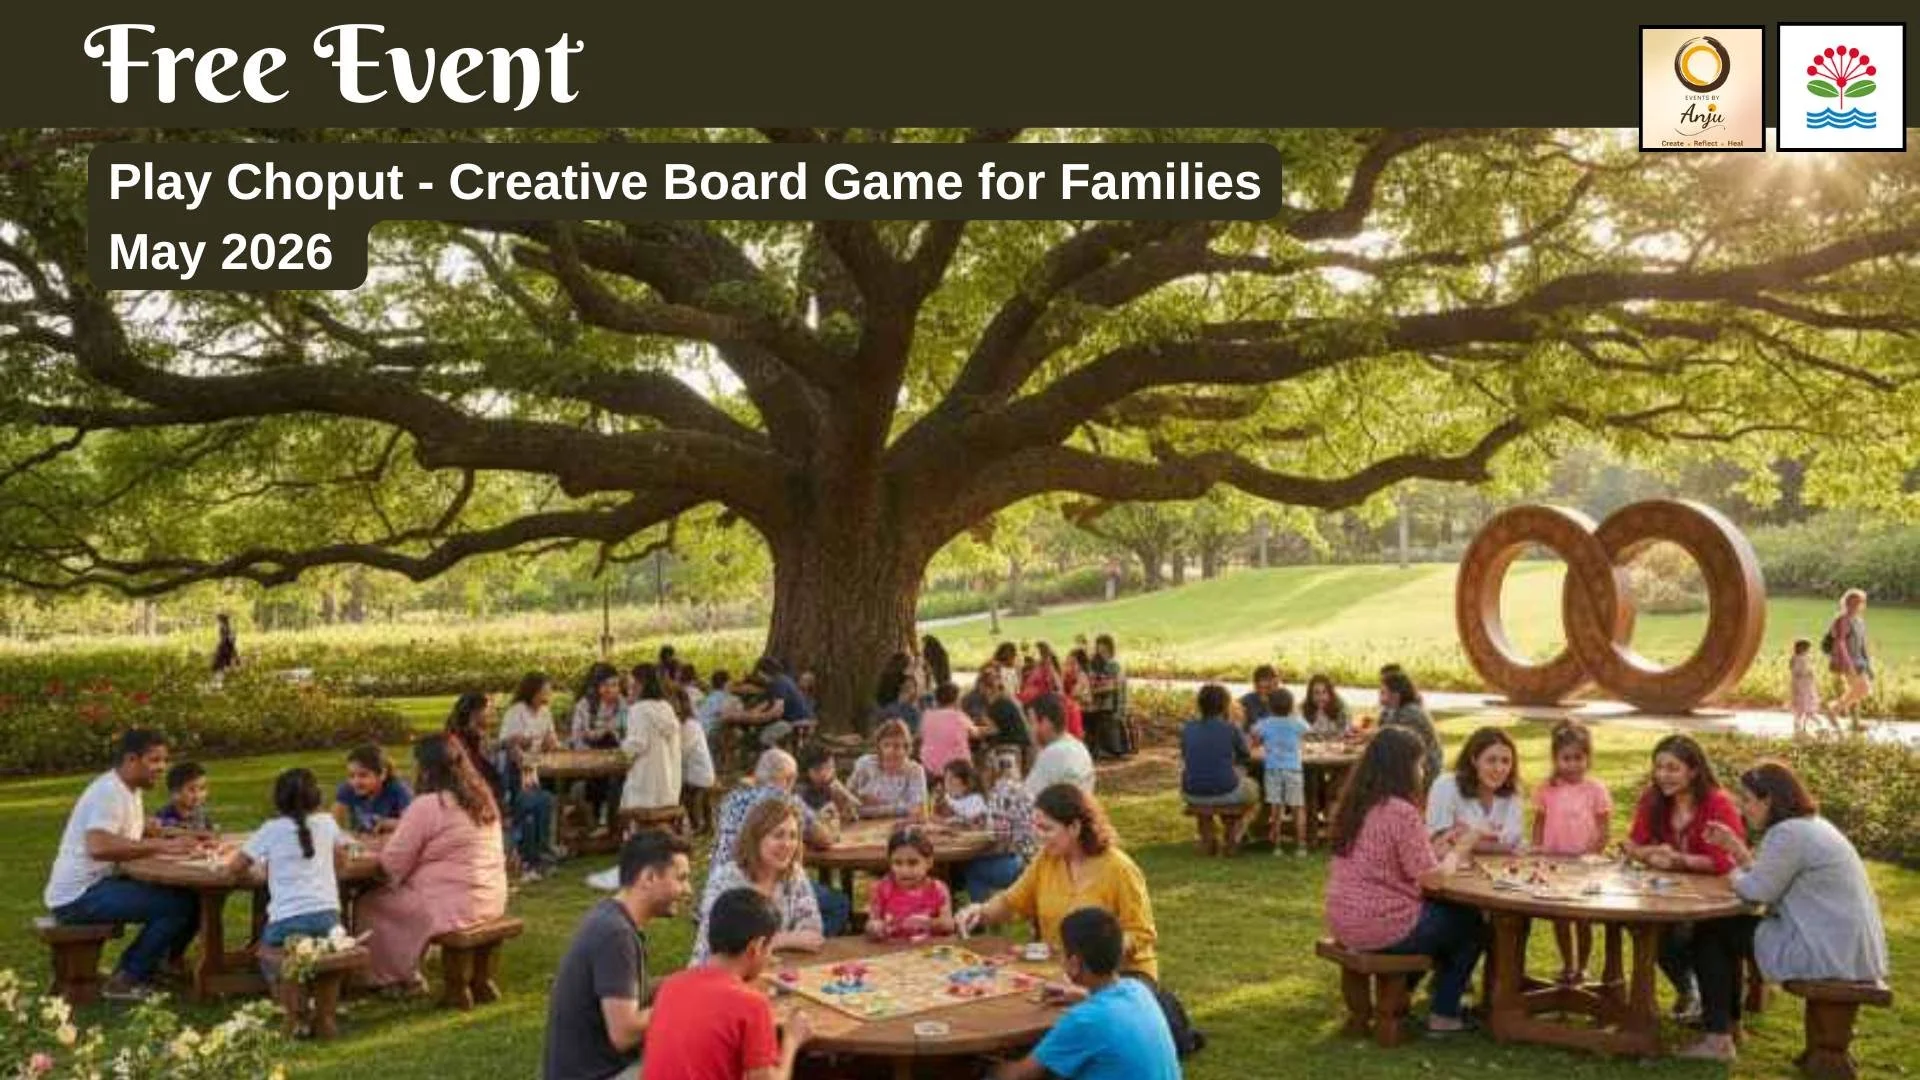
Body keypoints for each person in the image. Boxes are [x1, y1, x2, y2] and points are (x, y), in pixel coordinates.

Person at [1681, 761, 1892, 1063]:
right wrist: (1734, 846)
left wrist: (1730, 872)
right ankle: (1729, 1029)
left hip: (1820, 951)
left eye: (1748, 800)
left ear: (1768, 800)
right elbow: (1770, 878)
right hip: (1844, 947)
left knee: (1711, 932)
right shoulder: (1809, 825)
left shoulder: (1788, 833)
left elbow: (1757, 893)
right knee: (1723, 929)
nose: (1743, 808)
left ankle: (1719, 1039)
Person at [1323, 727, 1485, 1032]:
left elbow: (1403, 859)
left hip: (1343, 919)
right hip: (1381, 924)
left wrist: (1442, 843)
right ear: (1404, 767)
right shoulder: (1400, 811)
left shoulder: (1356, 804)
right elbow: (1433, 880)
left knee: (1445, 922)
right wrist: (1461, 849)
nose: (1422, 771)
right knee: (1471, 925)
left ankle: (1405, 995)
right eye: (1420, 763)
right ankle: (1444, 1014)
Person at [44, 729, 202, 1001]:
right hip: (79, 895)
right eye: (154, 760)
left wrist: (182, 836)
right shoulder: (108, 792)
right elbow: (100, 846)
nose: (162, 767)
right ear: (131, 759)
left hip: (98, 883)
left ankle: (159, 963)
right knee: (178, 906)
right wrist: (162, 846)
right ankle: (127, 979)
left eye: (164, 760)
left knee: (191, 896)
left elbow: (130, 834)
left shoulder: (129, 790)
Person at [354, 734, 509, 993]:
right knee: (398, 898)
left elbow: (392, 864)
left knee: (371, 903)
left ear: (426, 769)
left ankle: (394, 977)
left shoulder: (429, 805)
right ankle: (405, 970)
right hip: (491, 896)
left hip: (453, 904)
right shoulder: (482, 798)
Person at [957, 784, 1158, 983]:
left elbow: (1141, 932)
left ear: (1074, 827)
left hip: (1120, 978)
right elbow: (1011, 903)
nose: (1038, 835)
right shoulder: (1046, 860)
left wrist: (1097, 956)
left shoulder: (1119, 869)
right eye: (1036, 826)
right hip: (1061, 973)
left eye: (1046, 828)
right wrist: (981, 912)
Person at [544, 831, 694, 1080]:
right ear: (649, 877)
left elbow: (632, 993)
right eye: (681, 878)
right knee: (702, 1058)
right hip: (603, 1074)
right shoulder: (616, 935)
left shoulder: (610, 918)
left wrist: (692, 982)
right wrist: (683, 1003)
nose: (688, 889)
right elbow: (625, 1033)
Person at [1621, 734, 1745, 1022]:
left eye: (1672, 768)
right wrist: (1650, 853)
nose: (1663, 775)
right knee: (1643, 924)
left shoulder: (1718, 804)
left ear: (1694, 770)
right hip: (1668, 890)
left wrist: (1680, 860)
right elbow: (1631, 845)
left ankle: (1704, 994)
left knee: (1682, 932)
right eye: (1659, 767)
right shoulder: (1652, 800)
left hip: (1716, 892)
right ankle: (1688, 989)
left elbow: (1723, 860)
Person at [989, 907, 1180, 1080]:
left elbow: (1020, 1075)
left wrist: (986, 1068)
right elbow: (1111, 1017)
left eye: (1062, 953)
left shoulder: (1084, 1020)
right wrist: (1082, 997)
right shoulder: (1138, 989)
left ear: (1074, 964)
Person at [642, 888, 813, 1080]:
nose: (770, 957)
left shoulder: (671, 986)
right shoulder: (751, 1005)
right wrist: (791, 1041)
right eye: (770, 949)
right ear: (755, 948)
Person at [703, 750, 850, 938]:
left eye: (792, 836)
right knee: (838, 904)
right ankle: (788, 948)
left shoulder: (731, 798)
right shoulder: (785, 801)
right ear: (789, 779)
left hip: (716, 886)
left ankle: (780, 942)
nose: (788, 843)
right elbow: (824, 839)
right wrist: (832, 823)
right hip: (753, 883)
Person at [226, 769, 346, 961]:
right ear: (317, 797)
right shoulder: (328, 823)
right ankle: (322, 982)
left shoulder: (271, 829)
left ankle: (280, 984)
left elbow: (235, 867)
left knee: (266, 955)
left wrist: (256, 876)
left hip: (287, 922)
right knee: (317, 949)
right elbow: (341, 861)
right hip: (329, 919)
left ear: (278, 801)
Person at [690, 799, 824, 965]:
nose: (787, 844)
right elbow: (718, 950)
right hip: (718, 976)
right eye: (778, 835)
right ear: (756, 838)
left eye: (793, 836)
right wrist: (784, 940)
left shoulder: (793, 875)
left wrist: (766, 943)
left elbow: (813, 936)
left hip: (775, 970)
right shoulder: (726, 880)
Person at [1531, 721, 1613, 986]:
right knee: (1561, 917)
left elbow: (1603, 828)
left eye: (1578, 758)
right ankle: (1567, 963)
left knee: (1583, 918)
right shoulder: (1547, 789)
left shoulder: (1596, 789)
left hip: (1584, 865)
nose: (1573, 764)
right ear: (1556, 759)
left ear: (1588, 758)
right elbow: (1539, 823)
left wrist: (1592, 855)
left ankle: (1583, 967)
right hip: (1555, 862)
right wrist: (1537, 851)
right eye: (1566, 758)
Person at [449, 691, 557, 881]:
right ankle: (535, 860)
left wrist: (508, 745)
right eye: (489, 709)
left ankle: (540, 858)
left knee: (542, 799)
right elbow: (475, 776)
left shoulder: (478, 736)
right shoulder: (459, 742)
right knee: (535, 805)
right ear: (476, 713)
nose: (493, 713)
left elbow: (492, 756)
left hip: (501, 796)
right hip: (485, 803)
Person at [1180, 684, 1258, 846]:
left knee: (1219, 781)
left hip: (1191, 791)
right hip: (1225, 790)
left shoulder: (1187, 728)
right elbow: (1246, 756)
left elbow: (1186, 754)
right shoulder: (1230, 729)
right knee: (1254, 789)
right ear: (1225, 705)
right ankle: (1235, 833)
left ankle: (1208, 835)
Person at [1426, 726, 1524, 853]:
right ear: (1474, 760)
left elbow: (1514, 844)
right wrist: (1494, 844)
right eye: (1491, 760)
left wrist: (1466, 840)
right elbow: (1438, 843)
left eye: (1506, 761)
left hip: (1499, 869)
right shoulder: (1446, 785)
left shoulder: (1512, 795)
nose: (1499, 769)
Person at [963, 749, 1038, 903]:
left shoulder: (999, 792)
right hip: (1034, 858)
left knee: (971, 869)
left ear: (992, 771)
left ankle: (981, 919)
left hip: (1020, 863)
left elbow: (1000, 841)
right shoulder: (1026, 790)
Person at [866, 825, 956, 941]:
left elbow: (949, 925)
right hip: (891, 952)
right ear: (890, 862)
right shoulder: (882, 888)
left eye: (913, 863)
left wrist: (929, 923)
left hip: (929, 951)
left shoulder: (937, 889)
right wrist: (875, 927)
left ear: (929, 862)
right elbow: (871, 923)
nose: (905, 870)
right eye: (898, 863)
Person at [1251, 688, 1311, 855]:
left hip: (1273, 770)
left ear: (1270, 706)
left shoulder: (1266, 723)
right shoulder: (1296, 722)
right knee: (1298, 808)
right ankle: (1301, 846)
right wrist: (1296, 713)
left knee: (1276, 808)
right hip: (1293, 769)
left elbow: (1254, 732)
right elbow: (1308, 729)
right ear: (1291, 705)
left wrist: (1259, 741)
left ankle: (1277, 846)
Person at [621, 665, 685, 814]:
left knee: (621, 792)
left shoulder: (638, 710)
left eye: (632, 686)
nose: (629, 691)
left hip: (645, 791)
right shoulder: (666, 707)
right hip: (670, 789)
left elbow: (637, 744)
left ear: (640, 686)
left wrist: (622, 748)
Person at [847, 718, 929, 819]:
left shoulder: (914, 770)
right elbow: (848, 802)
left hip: (900, 826)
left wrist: (875, 807)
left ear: (906, 748)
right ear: (879, 746)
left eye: (897, 746)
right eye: (886, 745)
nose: (890, 751)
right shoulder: (865, 764)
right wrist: (898, 808)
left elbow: (919, 810)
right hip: (860, 827)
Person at [1377, 668, 1443, 786]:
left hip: (1423, 768)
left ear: (1395, 695)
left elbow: (1390, 741)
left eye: (1383, 693)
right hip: (1409, 763)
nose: (1379, 699)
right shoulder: (1393, 710)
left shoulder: (1410, 714)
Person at [1822, 588, 1873, 731]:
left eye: (1859, 602)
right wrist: (1848, 663)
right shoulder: (1842, 620)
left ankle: (1854, 722)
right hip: (1846, 661)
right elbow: (1840, 643)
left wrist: (1868, 663)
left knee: (1856, 690)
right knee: (1862, 689)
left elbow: (1863, 644)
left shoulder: (1860, 621)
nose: (1856, 605)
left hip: (1859, 660)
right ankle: (1833, 709)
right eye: (1852, 602)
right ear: (1846, 602)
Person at [1024, 694, 1094, 798]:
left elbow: (1027, 797)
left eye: (1031, 722)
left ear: (1046, 723)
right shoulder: (1078, 746)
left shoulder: (1053, 753)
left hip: (1055, 812)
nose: (1029, 730)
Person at [333, 744, 414, 835]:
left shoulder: (399, 790)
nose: (356, 782)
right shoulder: (348, 788)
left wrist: (386, 823)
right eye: (351, 775)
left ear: (382, 774)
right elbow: (334, 823)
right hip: (362, 841)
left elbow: (411, 824)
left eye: (363, 775)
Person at [1021, 643, 1084, 740]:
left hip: (1047, 703)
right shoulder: (1035, 671)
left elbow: (1059, 688)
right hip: (1040, 703)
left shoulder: (1049, 671)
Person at [918, 682, 980, 779]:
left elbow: (921, 735)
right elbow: (976, 734)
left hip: (929, 767)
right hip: (956, 768)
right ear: (956, 700)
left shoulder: (927, 715)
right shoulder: (959, 716)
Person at [1084, 634, 1131, 760]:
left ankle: (1103, 748)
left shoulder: (1112, 665)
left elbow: (1111, 687)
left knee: (1091, 715)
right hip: (1110, 702)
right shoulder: (1106, 664)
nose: (1099, 652)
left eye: (1102, 649)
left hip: (1112, 704)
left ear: (1108, 649)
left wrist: (1092, 691)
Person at [681, 692, 718, 835]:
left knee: (695, 798)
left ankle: (701, 825)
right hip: (692, 772)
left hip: (699, 773)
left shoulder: (690, 725)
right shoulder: (685, 724)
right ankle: (700, 825)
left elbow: (683, 750)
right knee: (692, 798)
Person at [793, 745, 859, 821]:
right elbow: (799, 820)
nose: (832, 772)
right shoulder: (800, 791)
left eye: (832, 767)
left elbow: (857, 808)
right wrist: (820, 815)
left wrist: (845, 796)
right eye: (828, 767)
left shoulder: (831, 785)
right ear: (810, 771)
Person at [154, 761, 215, 832]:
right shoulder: (164, 819)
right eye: (191, 790)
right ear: (175, 793)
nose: (198, 795)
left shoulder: (202, 817)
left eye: (202, 788)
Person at [1787, 639, 1825, 739]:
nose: (1808, 650)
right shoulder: (1799, 659)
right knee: (1803, 708)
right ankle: (1805, 725)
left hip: (1806, 686)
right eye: (1807, 648)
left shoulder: (1802, 658)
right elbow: (1798, 672)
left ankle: (1805, 725)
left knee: (1805, 707)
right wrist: (1808, 673)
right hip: (1802, 687)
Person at [937, 760, 988, 827]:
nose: (946, 782)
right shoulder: (946, 797)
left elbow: (978, 822)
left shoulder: (975, 800)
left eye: (951, 779)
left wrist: (954, 820)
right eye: (945, 778)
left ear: (965, 783)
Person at [1302, 673, 1351, 738]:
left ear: (1330, 694)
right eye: (1316, 693)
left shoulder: (1340, 708)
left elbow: (1344, 731)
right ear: (1310, 695)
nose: (1320, 697)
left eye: (1324, 692)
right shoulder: (1305, 707)